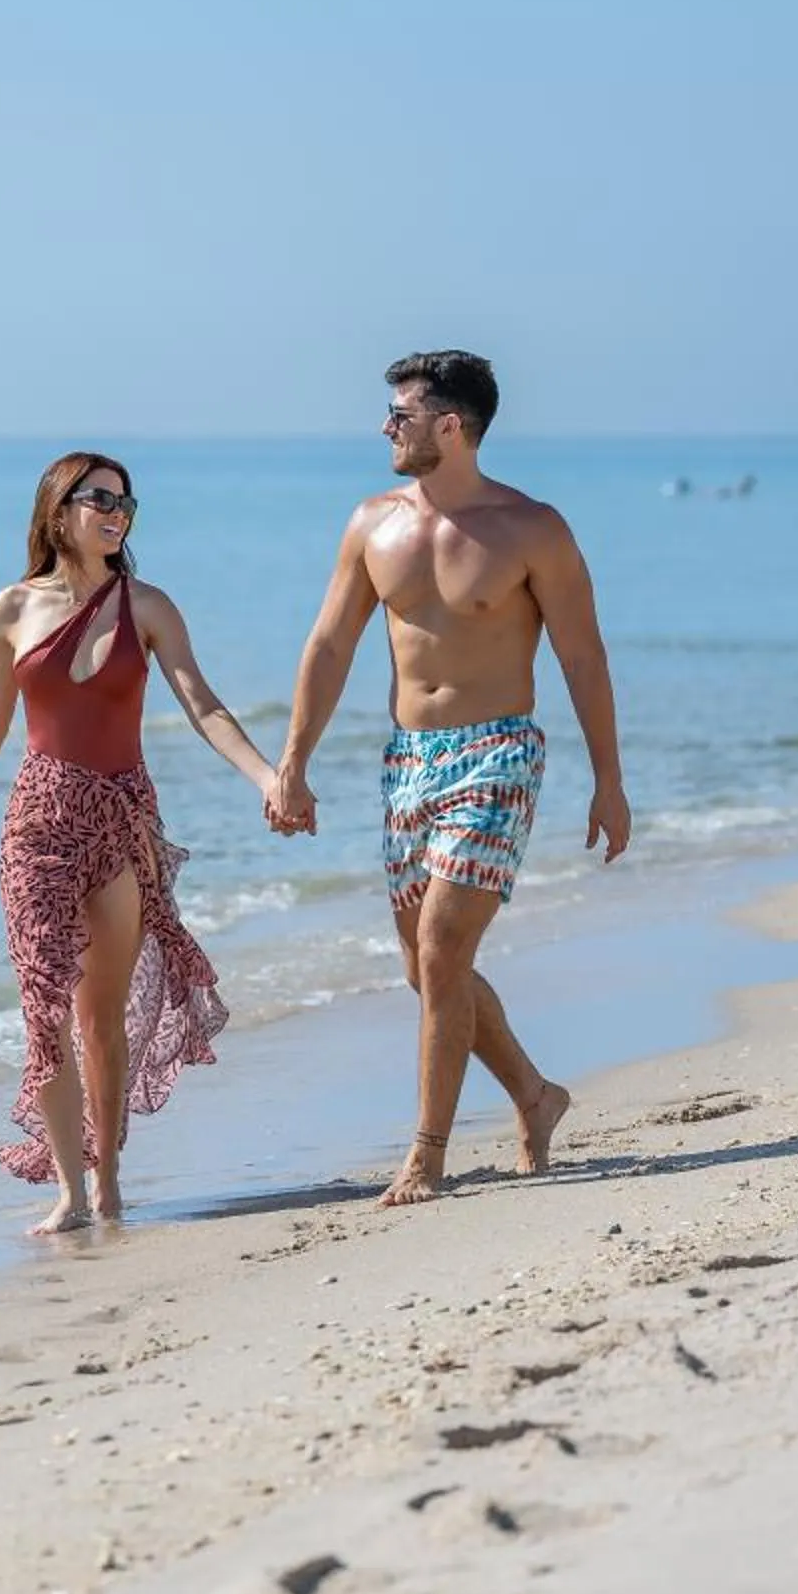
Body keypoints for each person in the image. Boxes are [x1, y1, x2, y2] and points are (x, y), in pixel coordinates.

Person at [268, 351, 631, 1206]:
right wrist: (294, 761)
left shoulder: (531, 528)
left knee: (440, 949)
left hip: (500, 751)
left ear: (451, 426)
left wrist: (608, 780)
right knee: (424, 968)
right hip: (408, 758)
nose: (385, 427)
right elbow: (329, 646)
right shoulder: (371, 523)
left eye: (401, 413)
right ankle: (537, 1098)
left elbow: (582, 655)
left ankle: (425, 1154)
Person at [0, 452, 277, 1235]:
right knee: (43, 1007)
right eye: (101, 500)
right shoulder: (12, 608)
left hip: (121, 825)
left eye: (127, 503)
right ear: (60, 511)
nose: (118, 513)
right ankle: (70, 1193)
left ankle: (110, 1183)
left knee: (99, 1019)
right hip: (37, 827)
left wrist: (264, 775)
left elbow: (203, 703)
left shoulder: (147, 606)